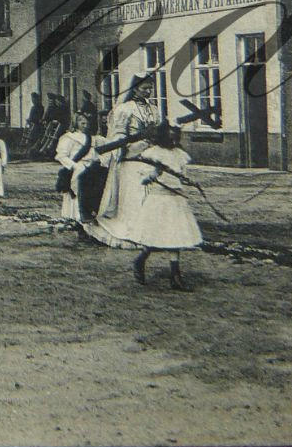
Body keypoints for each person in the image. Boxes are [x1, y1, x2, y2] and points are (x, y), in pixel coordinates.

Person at [85, 75, 160, 248]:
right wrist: (128, 144)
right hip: (131, 159)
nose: (148, 92)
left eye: (150, 88)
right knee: (135, 196)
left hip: (150, 158)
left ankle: (152, 232)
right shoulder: (125, 109)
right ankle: (134, 232)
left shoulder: (154, 109)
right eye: (144, 89)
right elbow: (118, 134)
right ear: (135, 89)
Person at [129, 123, 203, 290]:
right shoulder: (152, 154)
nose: (174, 140)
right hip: (158, 199)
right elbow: (142, 179)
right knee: (154, 236)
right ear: (162, 136)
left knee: (176, 236)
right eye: (170, 136)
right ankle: (140, 260)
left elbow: (182, 176)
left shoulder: (180, 155)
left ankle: (175, 276)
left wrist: (188, 181)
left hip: (175, 199)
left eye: (176, 137)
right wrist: (154, 173)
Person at [55, 111, 104, 222]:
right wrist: (75, 166)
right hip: (78, 167)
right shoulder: (69, 137)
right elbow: (61, 156)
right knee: (77, 191)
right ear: (75, 122)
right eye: (82, 122)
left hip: (92, 167)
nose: (85, 124)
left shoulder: (94, 138)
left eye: (87, 122)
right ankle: (75, 216)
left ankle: (89, 214)